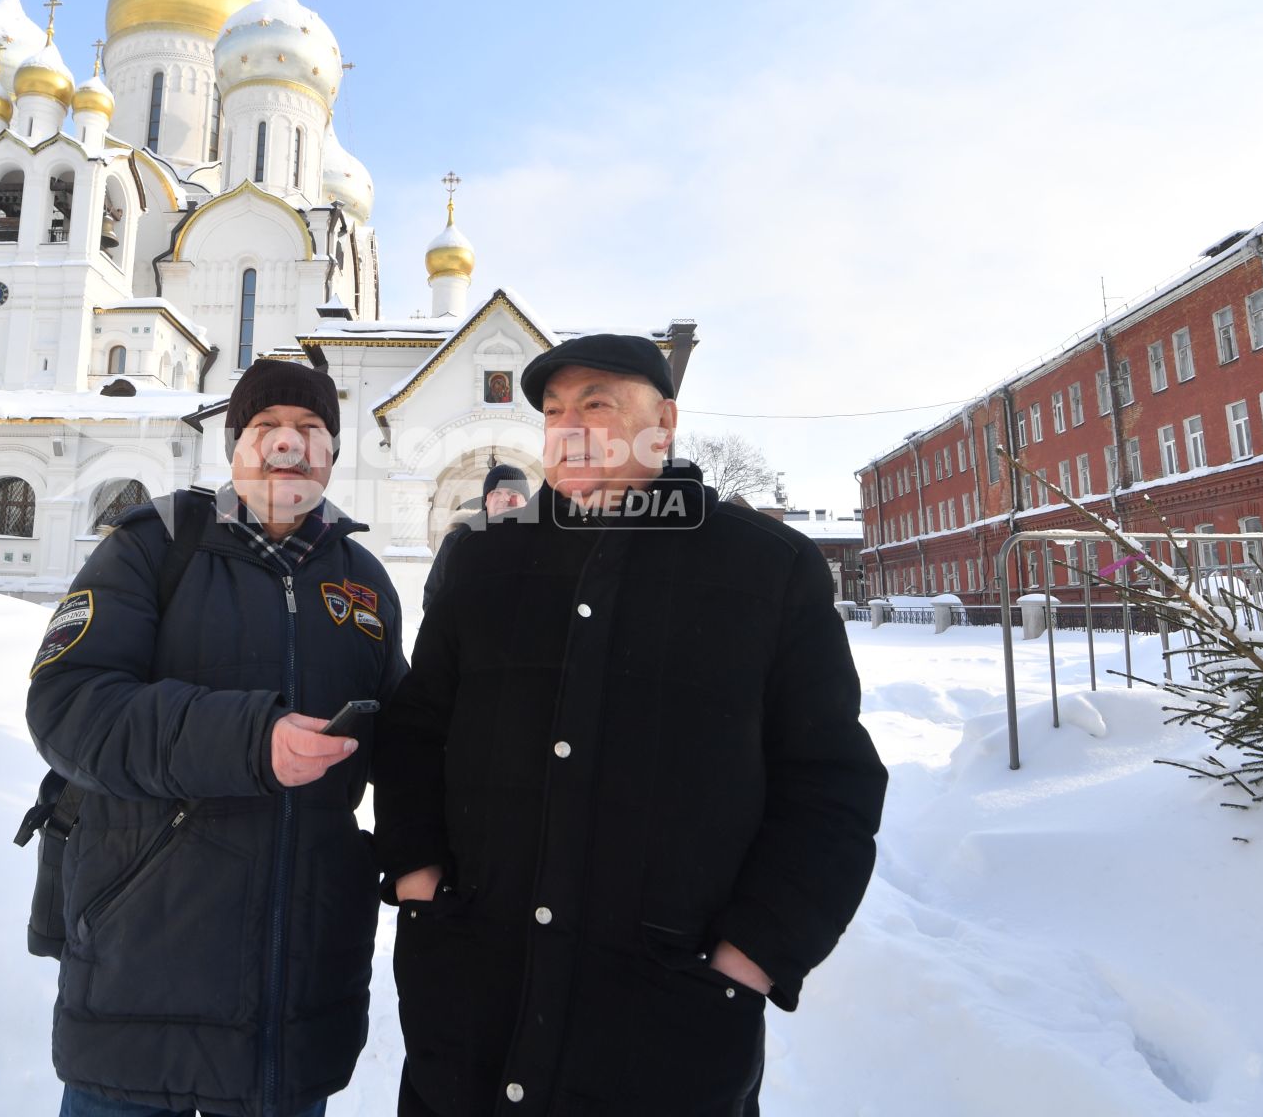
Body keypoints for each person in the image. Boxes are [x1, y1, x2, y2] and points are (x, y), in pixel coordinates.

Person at [374, 333, 887, 1116]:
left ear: (665, 420)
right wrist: (420, 888)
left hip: (665, 1032)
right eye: (552, 411)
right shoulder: (485, 564)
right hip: (473, 1010)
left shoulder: (766, 571)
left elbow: (830, 787)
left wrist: (748, 962)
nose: (568, 426)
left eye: (596, 405)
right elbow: (415, 735)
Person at [27, 358, 406, 1117]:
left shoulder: (363, 582)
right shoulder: (152, 548)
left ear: (333, 452)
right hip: (143, 972)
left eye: (310, 430)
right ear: (234, 446)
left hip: (293, 1004)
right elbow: (71, 707)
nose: (288, 446)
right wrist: (249, 740)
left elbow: (406, 741)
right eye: (266, 428)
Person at [420, 463, 530, 611]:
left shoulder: (543, 543)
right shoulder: (457, 542)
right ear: (486, 500)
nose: (504, 498)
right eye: (496, 492)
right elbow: (433, 600)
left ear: (526, 502)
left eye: (512, 492)